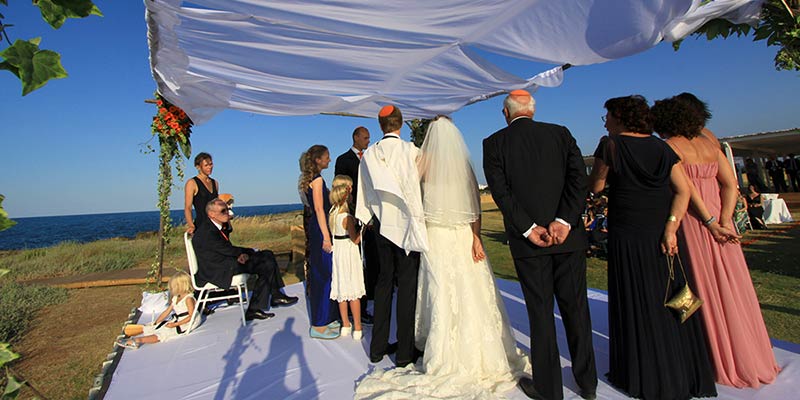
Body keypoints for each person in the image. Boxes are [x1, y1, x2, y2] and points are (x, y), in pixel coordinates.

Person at [355, 116, 529, 399]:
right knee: (469, 289)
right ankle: (477, 348)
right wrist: (476, 236)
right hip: (461, 234)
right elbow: (475, 206)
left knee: (441, 291)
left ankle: (442, 348)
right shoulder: (463, 165)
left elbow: (410, 194)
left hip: (436, 235)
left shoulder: (421, 163)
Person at [589, 95, 716, 400]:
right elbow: (683, 191)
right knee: (669, 299)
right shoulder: (662, 146)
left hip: (629, 235)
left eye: (607, 115)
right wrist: (671, 227)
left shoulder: (611, 145)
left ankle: (646, 373)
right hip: (662, 235)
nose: (605, 121)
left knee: (638, 301)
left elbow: (596, 186)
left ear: (620, 117)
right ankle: (683, 369)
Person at [652, 97, 780, 388]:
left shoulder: (670, 146)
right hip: (723, 221)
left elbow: (687, 190)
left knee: (703, 283)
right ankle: (750, 351)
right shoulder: (710, 142)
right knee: (733, 285)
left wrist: (709, 222)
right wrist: (724, 219)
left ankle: (715, 354)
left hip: (696, 222)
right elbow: (731, 184)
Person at [483, 90, 597, 400]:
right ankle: (588, 382)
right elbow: (579, 181)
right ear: (532, 110)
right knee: (577, 310)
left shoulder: (493, 144)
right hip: (568, 239)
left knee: (541, 313)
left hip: (529, 244)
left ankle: (549, 388)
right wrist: (563, 221)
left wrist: (529, 229)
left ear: (505, 114)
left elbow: (501, 193)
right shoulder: (561, 134)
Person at [355, 105, 428, 367]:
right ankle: (405, 353)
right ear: (400, 124)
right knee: (407, 288)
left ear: (380, 124)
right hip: (408, 226)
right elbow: (423, 184)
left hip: (382, 227)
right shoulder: (411, 151)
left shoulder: (369, 154)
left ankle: (377, 348)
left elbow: (364, 192)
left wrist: (363, 219)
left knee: (383, 285)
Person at [192, 199, 297, 322]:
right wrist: (248, 252)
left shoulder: (216, 225)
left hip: (225, 260)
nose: (227, 213)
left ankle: (274, 295)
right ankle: (258, 307)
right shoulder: (207, 232)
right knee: (265, 263)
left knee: (267, 254)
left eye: (227, 209)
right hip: (218, 269)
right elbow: (226, 249)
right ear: (211, 214)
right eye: (223, 211)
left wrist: (245, 253)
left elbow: (225, 248)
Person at [334, 126, 376, 326]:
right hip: (352, 215)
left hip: (372, 212)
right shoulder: (343, 160)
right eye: (366, 137)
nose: (369, 140)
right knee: (357, 261)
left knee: (372, 255)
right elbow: (339, 187)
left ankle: (372, 293)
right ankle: (358, 305)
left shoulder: (371, 158)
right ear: (356, 138)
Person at [299, 145, 341, 340]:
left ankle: (328, 317)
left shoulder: (312, 180)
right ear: (318, 160)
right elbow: (318, 209)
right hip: (320, 229)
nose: (329, 160)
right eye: (327, 157)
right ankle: (319, 324)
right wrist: (326, 236)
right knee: (324, 274)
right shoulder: (317, 181)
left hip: (318, 227)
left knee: (324, 273)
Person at [116, 271, 199, 349]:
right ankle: (141, 332)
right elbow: (166, 312)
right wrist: (157, 322)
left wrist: (175, 324)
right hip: (179, 319)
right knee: (158, 326)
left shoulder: (188, 299)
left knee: (164, 333)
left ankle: (137, 341)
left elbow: (191, 316)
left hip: (187, 322)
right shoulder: (176, 298)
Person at [328, 175, 365, 340]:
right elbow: (355, 240)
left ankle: (345, 324)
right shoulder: (347, 218)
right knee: (353, 291)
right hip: (349, 253)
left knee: (342, 290)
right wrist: (363, 228)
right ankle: (357, 327)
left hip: (338, 253)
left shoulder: (333, 214)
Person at [184, 152, 219, 235]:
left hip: (216, 226)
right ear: (198, 167)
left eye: (211, 164)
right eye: (206, 165)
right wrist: (191, 225)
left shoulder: (215, 183)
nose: (210, 167)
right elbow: (188, 207)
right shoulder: (192, 183)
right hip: (201, 226)